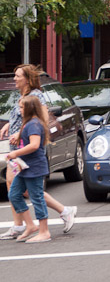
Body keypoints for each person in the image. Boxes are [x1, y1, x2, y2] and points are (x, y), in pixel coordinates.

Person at [0, 65, 77, 240]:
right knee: (19, 189)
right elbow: (20, 117)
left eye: (17, 76)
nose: (14, 78)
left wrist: (19, 133)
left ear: (28, 79)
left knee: (27, 190)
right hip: (19, 151)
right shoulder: (22, 96)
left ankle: (32, 225)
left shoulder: (36, 97)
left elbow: (41, 120)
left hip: (28, 153)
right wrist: (9, 125)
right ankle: (26, 224)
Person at [5, 96, 53, 242]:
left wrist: (15, 153)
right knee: (14, 194)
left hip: (34, 167)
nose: (19, 110)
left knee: (37, 197)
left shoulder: (34, 124)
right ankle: (31, 225)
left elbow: (34, 145)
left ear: (30, 108)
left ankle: (44, 231)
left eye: (22, 107)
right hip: (25, 167)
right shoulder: (28, 123)